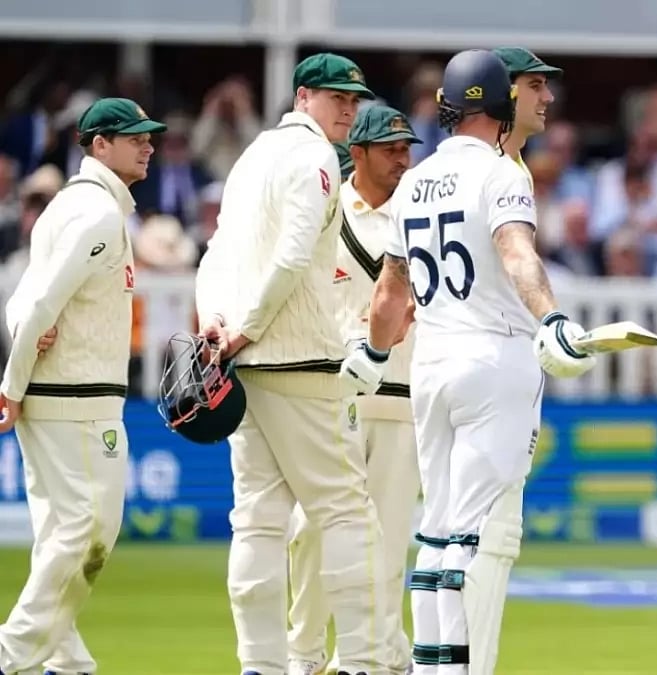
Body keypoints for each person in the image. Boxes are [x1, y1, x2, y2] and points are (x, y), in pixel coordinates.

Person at [339, 48, 596, 675]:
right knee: (470, 536)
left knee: (435, 533)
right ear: (503, 104)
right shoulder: (500, 173)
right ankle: (455, 668)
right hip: (494, 358)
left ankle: (432, 666)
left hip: (430, 365)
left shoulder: (415, 181)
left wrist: (372, 355)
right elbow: (516, 255)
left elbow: (389, 294)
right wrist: (553, 320)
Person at [193, 52, 393, 675]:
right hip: (299, 359)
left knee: (257, 520)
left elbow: (216, 255)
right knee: (344, 510)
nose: (349, 110)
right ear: (304, 95)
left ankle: (261, 665)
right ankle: (361, 662)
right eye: (338, 98)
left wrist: (215, 323)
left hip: (245, 368)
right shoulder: (315, 160)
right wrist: (242, 329)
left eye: (355, 101)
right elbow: (291, 254)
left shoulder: (252, 157)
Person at [0, 97, 165, 675]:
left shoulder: (71, 208)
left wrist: (21, 349)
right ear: (99, 145)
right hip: (75, 402)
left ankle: (68, 663)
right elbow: (39, 301)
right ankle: (11, 652)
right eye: (135, 137)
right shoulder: (94, 214)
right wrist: (12, 384)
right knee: (86, 535)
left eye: (149, 136)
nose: (148, 145)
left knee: (63, 537)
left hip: (65, 399)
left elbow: (22, 300)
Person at [286, 105, 424, 675]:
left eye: (406, 148)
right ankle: (302, 654)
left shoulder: (421, 213)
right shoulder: (325, 209)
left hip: (401, 397)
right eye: (390, 149)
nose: (403, 159)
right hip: (331, 397)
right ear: (358, 153)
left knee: (388, 543)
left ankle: (370, 660)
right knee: (311, 533)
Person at [492, 46, 562, 184]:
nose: (549, 98)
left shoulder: (519, 168)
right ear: (505, 93)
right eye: (535, 86)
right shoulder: (481, 166)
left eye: (545, 86)